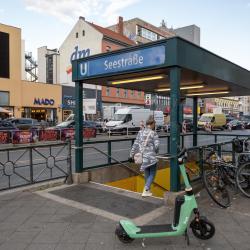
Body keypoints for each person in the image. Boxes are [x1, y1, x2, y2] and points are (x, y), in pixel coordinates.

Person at [129, 116, 160, 197]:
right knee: (152, 174)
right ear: (152, 124)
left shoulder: (140, 132)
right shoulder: (154, 133)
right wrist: (156, 152)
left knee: (147, 173)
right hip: (151, 158)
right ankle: (146, 189)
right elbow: (157, 146)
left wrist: (131, 154)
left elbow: (135, 144)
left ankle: (147, 190)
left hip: (143, 157)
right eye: (154, 124)